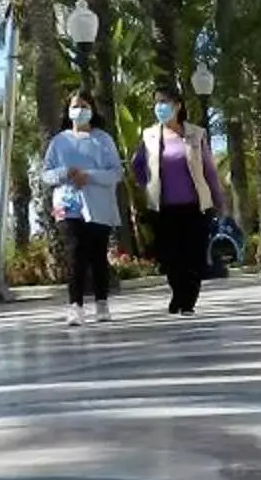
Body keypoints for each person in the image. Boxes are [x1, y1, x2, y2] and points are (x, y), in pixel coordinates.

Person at [131, 91, 221, 314]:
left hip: (194, 206)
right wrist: (148, 185)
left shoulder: (196, 134)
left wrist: (218, 199)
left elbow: (209, 169)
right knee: (171, 256)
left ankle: (187, 299)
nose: (159, 107)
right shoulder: (150, 136)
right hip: (164, 208)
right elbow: (137, 165)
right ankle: (178, 292)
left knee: (194, 255)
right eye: (157, 103)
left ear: (178, 106)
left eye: (164, 102)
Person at [42, 92, 126, 324]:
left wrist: (88, 175)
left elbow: (116, 173)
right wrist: (66, 173)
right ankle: (75, 306)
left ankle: (102, 303)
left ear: (92, 109)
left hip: (98, 206)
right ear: (68, 111)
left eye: (84, 106)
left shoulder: (103, 140)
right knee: (75, 254)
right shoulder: (59, 141)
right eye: (75, 106)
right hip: (67, 206)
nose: (79, 110)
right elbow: (47, 174)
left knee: (98, 256)